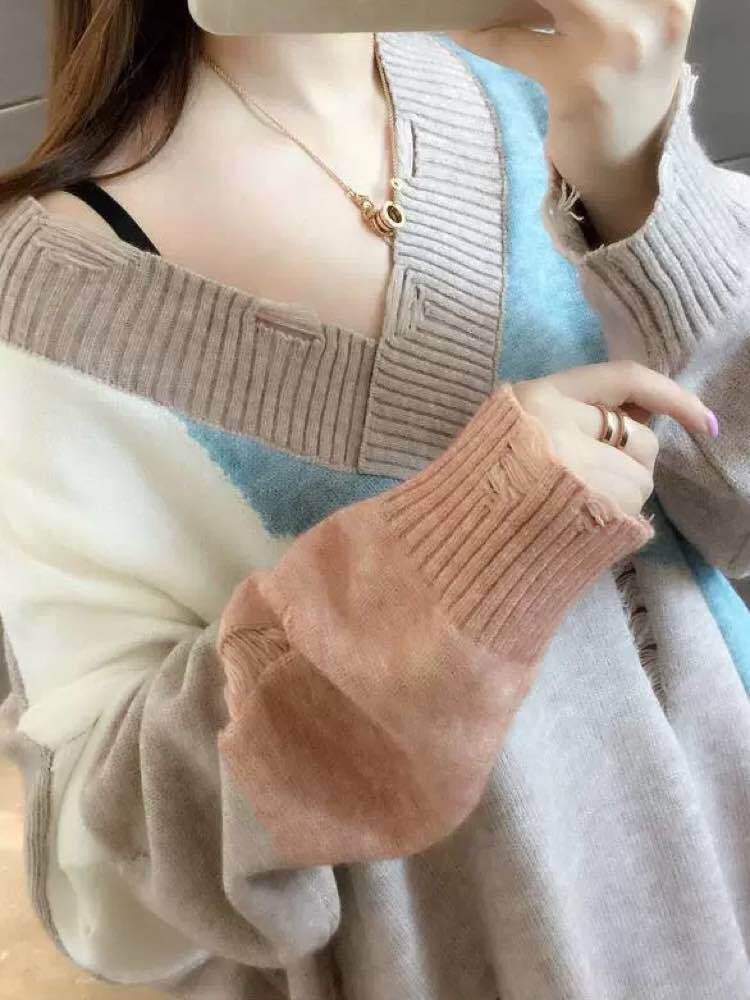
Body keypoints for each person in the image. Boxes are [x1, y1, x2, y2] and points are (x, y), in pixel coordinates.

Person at [0, 2, 749, 998]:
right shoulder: (57, 306)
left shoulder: (557, 87)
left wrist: (641, 180)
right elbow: (114, 893)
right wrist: (453, 560)